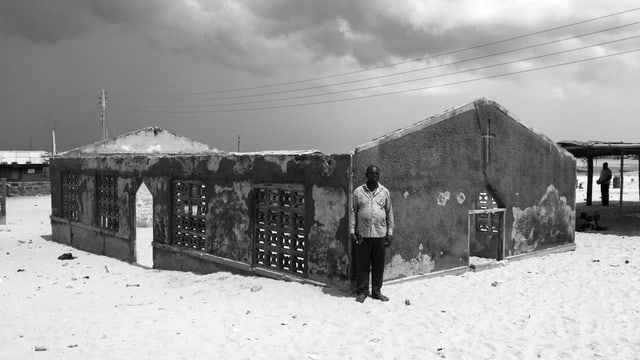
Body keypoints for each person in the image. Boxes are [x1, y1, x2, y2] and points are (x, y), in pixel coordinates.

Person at [349, 165, 394, 303]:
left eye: (377, 174)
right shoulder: (358, 192)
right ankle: (362, 292)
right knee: (362, 264)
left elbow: (389, 212)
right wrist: (352, 231)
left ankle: (376, 291)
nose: (374, 176)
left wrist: (390, 232)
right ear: (366, 175)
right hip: (363, 235)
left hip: (380, 234)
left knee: (378, 265)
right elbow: (353, 211)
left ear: (379, 175)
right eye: (371, 173)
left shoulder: (384, 192)